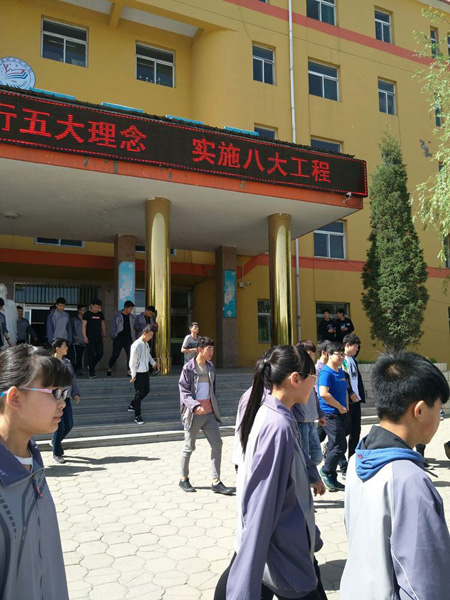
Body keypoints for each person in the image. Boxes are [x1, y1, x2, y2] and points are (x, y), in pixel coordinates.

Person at [215, 345, 327, 600]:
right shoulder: (277, 425)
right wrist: (245, 583)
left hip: (287, 541)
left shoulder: (274, 410)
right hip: (284, 548)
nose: (314, 385)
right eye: (312, 377)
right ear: (295, 379)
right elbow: (262, 507)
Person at [340, 352, 450, 600]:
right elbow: (425, 582)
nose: (440, 418)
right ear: (419, 410)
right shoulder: (410, 481)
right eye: (439, 409)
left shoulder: (358, 458)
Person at [0, 344, 72, 599]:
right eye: (54, 393)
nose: (62, 402)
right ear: (15, 398)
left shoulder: (33, 463)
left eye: (64, 393)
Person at [179, 336, 233, 495]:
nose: (211, 353)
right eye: (209, 350)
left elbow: (212, 390)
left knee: (217, 445)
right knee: (189, 447)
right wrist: (195, 406)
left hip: (209, 414)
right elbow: (184, 391)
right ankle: (183, 478)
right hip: (194, 414)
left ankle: (216, 481)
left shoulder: (210, 367)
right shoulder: (188, 368)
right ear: (199, 350)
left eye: (213, 350)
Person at [318, 341, 348, 492]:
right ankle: (325, 470)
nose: (342, 357)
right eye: (339, 354)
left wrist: (346, 407)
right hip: (330, 413)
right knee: (340, 445)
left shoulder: (340, 372)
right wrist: (339, 407)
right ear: (329, 355)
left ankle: (332, 479)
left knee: (335, 444)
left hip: (341, 412)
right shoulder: (326, 372)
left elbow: (345, 390)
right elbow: (323, 393)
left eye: (343, 354)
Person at [293, 340, 326, 465]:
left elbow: (314, 395)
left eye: (313, 354)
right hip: (301, 421)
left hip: (311, 419)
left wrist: (320, 414)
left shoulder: (311, 371)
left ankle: (309, 474)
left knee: (317, 457)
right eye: (309, 354)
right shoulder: (297, 373)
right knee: (304, 456)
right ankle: (305, 476)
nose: (312, 357)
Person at [51, 338, 81, 464]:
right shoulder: (50, 363)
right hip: (54, 399)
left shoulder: (67, 362)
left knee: (69, 424)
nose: (67, 348)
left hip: (66, 397)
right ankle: (57, 453)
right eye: (65, 346)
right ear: (58, 348)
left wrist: (75, 393)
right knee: (60, 426)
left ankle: (55, 442)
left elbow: (72, 379)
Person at [341, 334, 365, 465]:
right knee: (345, 430)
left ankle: (352, 459)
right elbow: (344, 379)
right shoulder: (342, 359)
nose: (357, 349)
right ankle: (337, 455)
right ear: (347, 345)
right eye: (355, 346)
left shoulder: (353, 360)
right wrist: (350, 392)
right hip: (347, 400)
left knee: (356, 430)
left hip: (357, 400)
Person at [128, 325, 157, 425]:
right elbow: (132, 361)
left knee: (146, 390)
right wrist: (133, 374)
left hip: (145, 371)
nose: (151, 337)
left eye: (152, 335)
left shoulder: (146, 344)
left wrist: (153, 363)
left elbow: (148, 355)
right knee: (139, 393)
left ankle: (132, 404)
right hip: (138, 372)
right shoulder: (136, 345)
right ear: (144, 333)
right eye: (150, 335)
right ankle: (137, 415)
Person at [107, 300, 135, 377]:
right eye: (130, 309)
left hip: (128, 338)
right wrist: (113, 336)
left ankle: (129, 370)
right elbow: (113, 326)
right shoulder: (118, 316)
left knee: (130, 354)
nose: (131, 311)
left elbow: (134, 327)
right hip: (119, 338)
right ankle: (109, 367)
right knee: (115, 354)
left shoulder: (131, 317)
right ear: (126, 308)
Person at [82, 299, 106, 379]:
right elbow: (83, 326)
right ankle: (91, 372)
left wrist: (104, 335)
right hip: (89, 338)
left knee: (100, 353)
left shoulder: (100, 314)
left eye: (98, 307)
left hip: (98, 337)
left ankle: (91, 365)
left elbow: (103, 325)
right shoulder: (87, 314)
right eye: (96, 307)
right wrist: (84, 336)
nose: (97, 309)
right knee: (91, 354)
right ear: (91, 306)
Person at [70, 304, 86, 375]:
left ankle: (79, 369)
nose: (84, 312)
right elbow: (70, 329)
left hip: (83, 340)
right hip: (76, 341)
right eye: (83, 310)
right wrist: (73, 336)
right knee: (77, 356)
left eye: (85, 310)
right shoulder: (74, 320)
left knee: (81, 355)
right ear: (79, 310)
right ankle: (76, 369)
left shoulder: (86, 320)